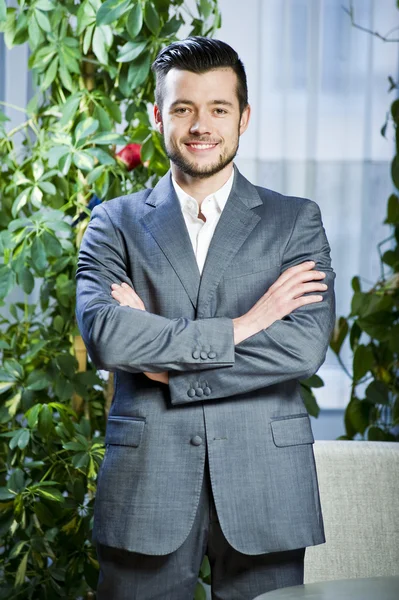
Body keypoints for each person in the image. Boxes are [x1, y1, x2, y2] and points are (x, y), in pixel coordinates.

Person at [75, 36, 335, 600]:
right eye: (183, 108)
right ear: (158, 116)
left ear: (244, 117)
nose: (201, 125)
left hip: (267, 486)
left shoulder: (295, 222)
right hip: (147, 487)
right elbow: (106, 336)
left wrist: (168, 366)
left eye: (218, 108)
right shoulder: (112, 225)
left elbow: (303, 345)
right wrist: (245, 324)